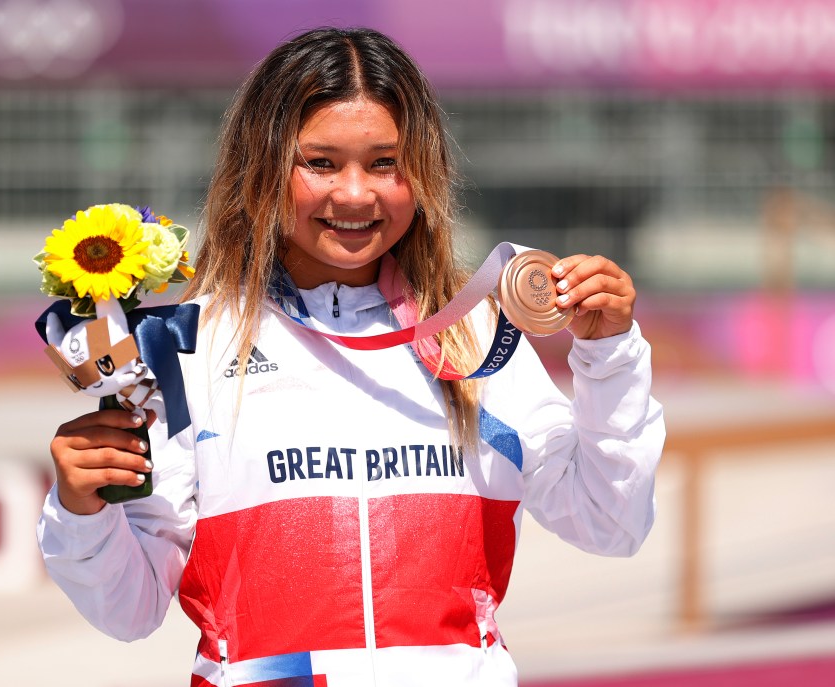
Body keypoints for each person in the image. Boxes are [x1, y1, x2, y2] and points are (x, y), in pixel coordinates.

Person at [37, 26, 665, 687]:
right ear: (260, 169)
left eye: (384, 163)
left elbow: (610, 521)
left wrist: (607, 354)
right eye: (322, 163)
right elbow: (128, 608)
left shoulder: (476, 338)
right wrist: (83, 507)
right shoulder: (186, 347)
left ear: (420, 173)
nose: (357, 194)